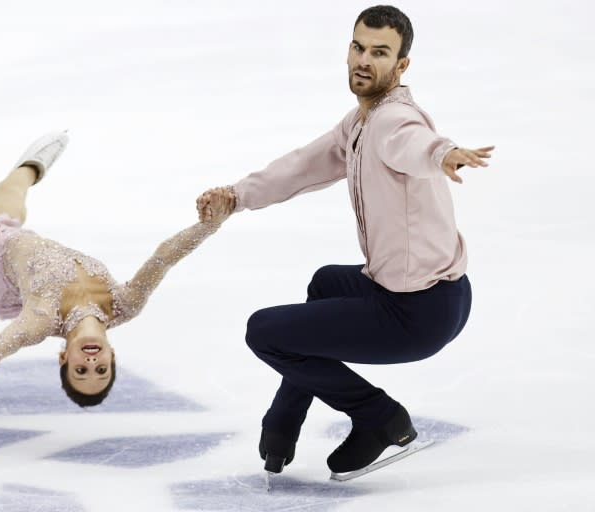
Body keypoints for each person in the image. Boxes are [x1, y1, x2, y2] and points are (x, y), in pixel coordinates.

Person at [196, 5, 494, 476]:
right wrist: (236, 196)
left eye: (380, 53)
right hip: (440, 295)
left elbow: (414, 144)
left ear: (401, 67)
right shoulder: (357, 123)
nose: (364, 60)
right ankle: (283, 423)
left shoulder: (393, 121)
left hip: (418, 314)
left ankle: (378, 417)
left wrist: (443, 153)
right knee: (327, 284)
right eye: (358, 47)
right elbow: (302, 166)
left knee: (265, 332)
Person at [0, 131, 232, 451]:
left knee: (10, 201)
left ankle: (29, 168)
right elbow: (163, 258)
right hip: (14, 282)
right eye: (100, 369)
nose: (91, 361)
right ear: (112, 355)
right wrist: (210, 226)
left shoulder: (40, 320)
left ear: (63, 358)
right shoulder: (125, 304)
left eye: (81, 370)